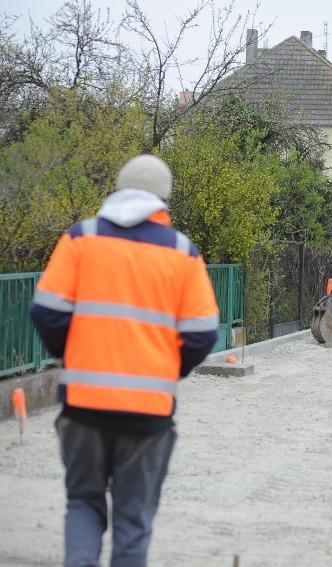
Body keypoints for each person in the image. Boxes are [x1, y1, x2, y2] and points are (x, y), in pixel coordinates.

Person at [29, 154, 220, 566]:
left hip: (83, 405)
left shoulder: (81, 239)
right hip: (148, 412)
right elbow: (203, 332)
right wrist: (170, 369)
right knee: (133, 519)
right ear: (163, 200)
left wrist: (74, 354)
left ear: (118, 188)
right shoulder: (183, 254)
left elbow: (45, 310)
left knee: (83, 502)